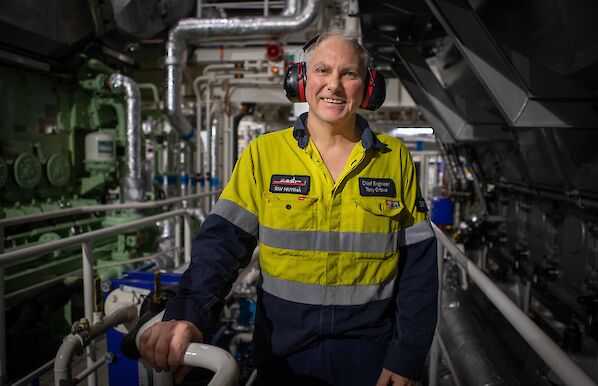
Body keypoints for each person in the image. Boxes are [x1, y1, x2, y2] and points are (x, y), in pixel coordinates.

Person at [139, 29, 438, 386]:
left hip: (368, 361)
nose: (335, 85)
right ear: (300, 79)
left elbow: (418, 269)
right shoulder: (264, 155)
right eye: (323, 70)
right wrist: (189, 315)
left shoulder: (394, 159)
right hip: (283, 356)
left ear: (369, 87)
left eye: (350, 74)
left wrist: (406, 356)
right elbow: (220, 247)